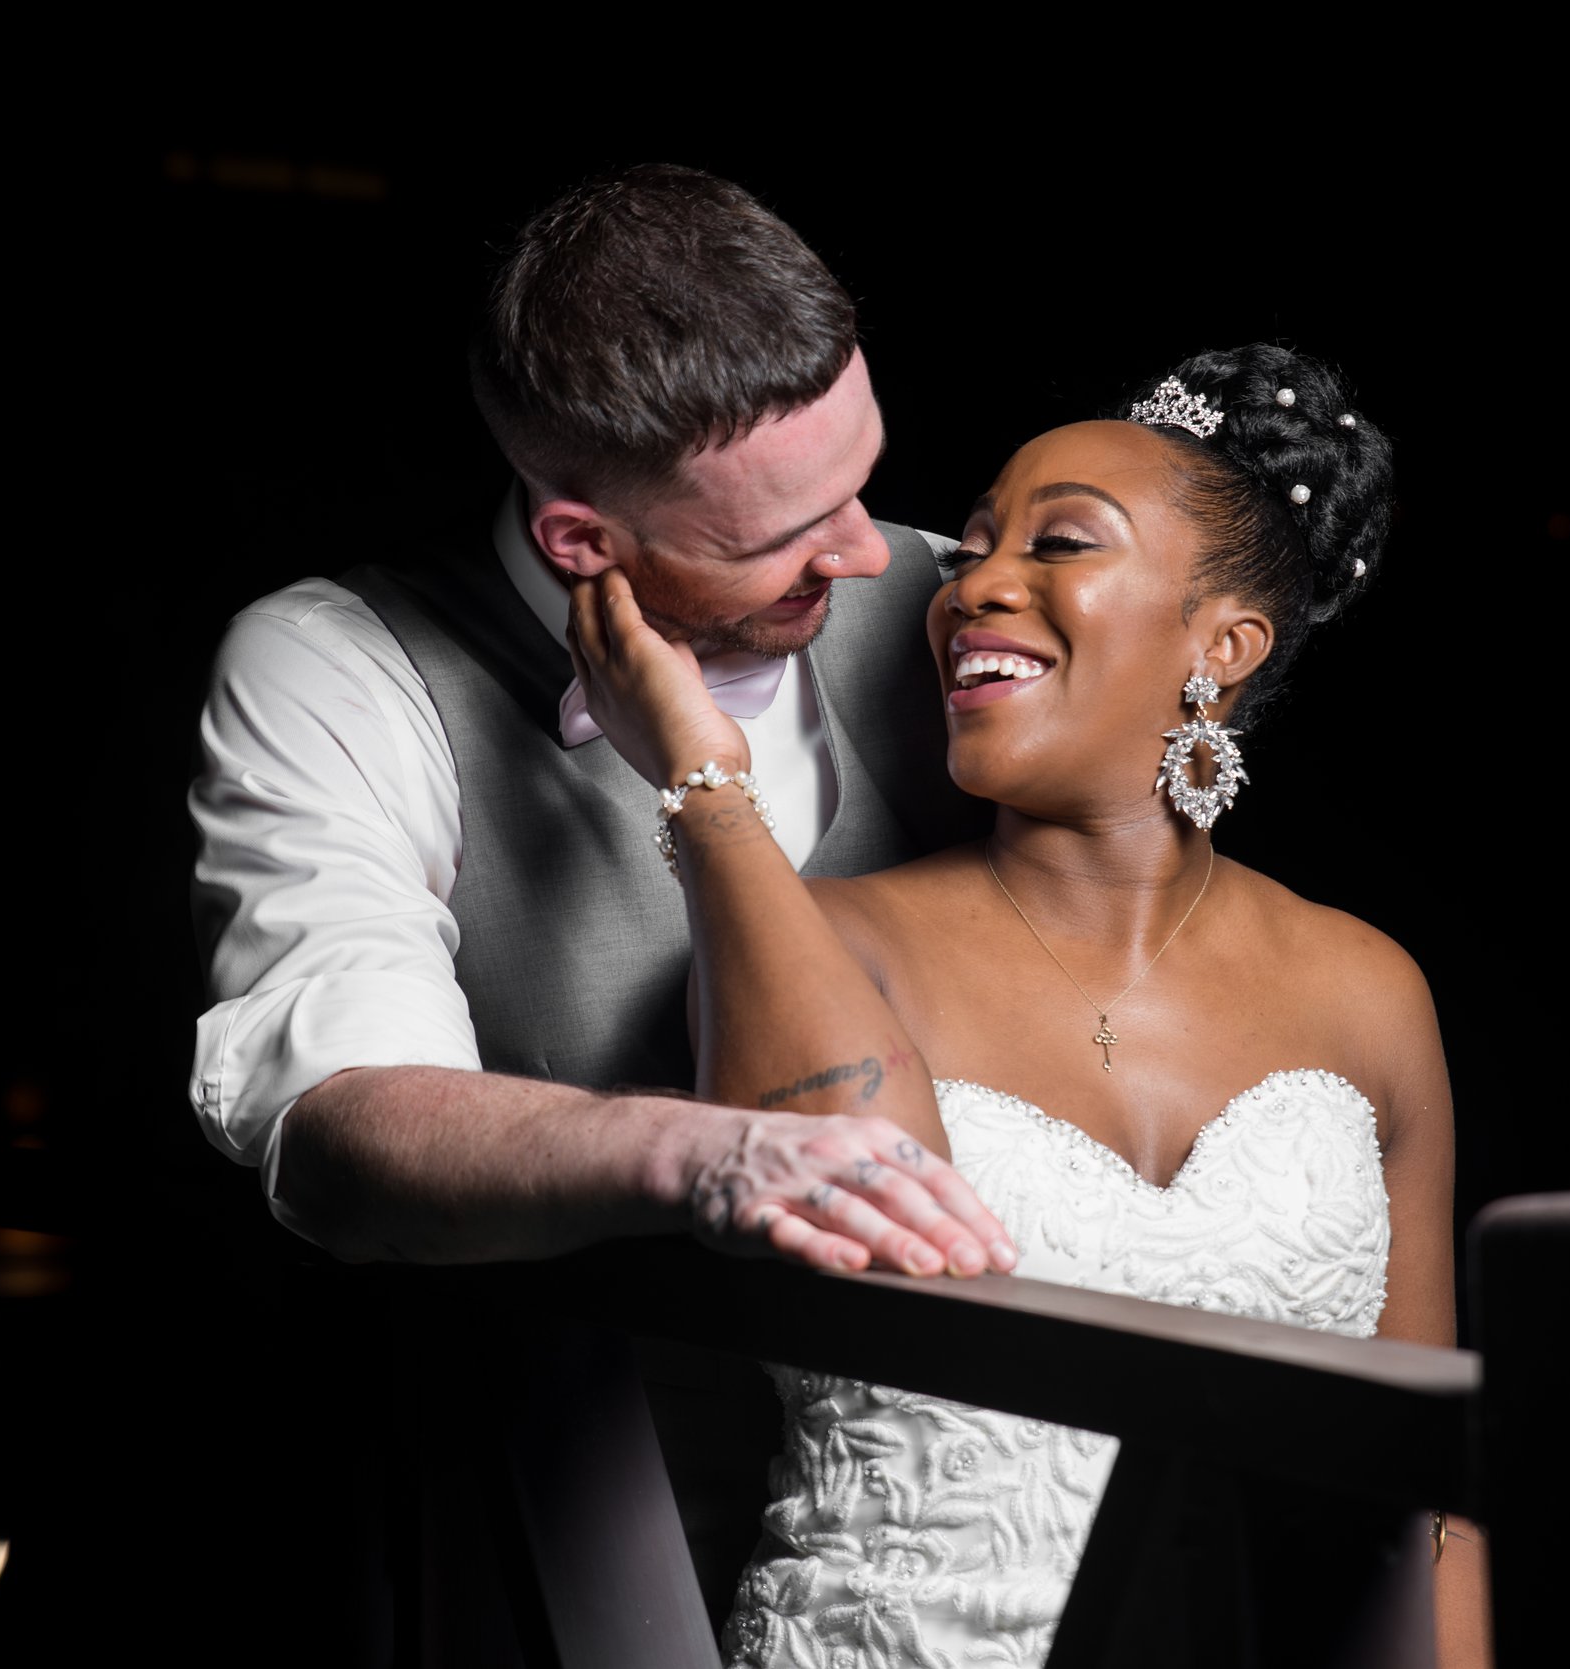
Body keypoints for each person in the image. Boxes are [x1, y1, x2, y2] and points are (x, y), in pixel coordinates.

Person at [185, 164, 1018, 1641]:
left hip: (981, 1549)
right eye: (786, 534)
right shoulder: (341, 664)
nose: (875, 553)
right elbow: (338, 1130)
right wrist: (709, 1160)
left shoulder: (973, 620)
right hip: (571, 1571)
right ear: (582, 539)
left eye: (865, 478)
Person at [567, 344, 1491, 1665]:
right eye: (971, 552)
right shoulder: (829, 939)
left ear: (1220, 644)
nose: (976, 587)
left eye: (1060, 544)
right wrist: (705, 786)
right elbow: (851, 1235)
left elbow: (1434, 1502)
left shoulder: (1369, 992)